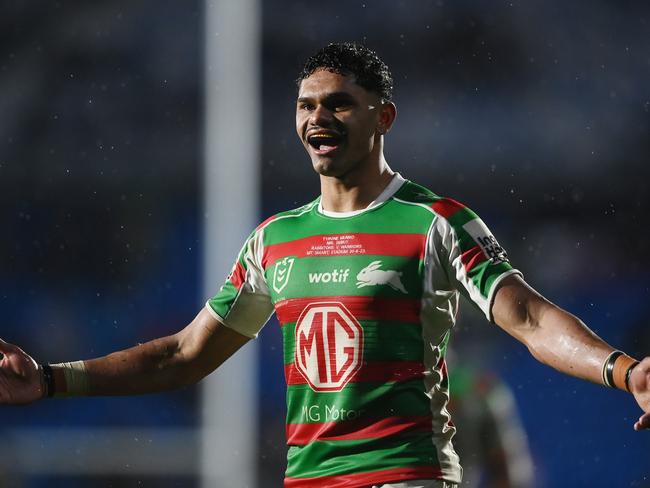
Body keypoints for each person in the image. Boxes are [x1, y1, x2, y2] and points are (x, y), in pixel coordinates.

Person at [0, 42, 649, 488]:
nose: (318, 118)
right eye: (307, 105)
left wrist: (622, 372)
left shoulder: (435, 222)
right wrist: (51, 382)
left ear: (382, 116)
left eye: (338, 102)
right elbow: (182, 355)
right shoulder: (274, 241)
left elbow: (530, 318)